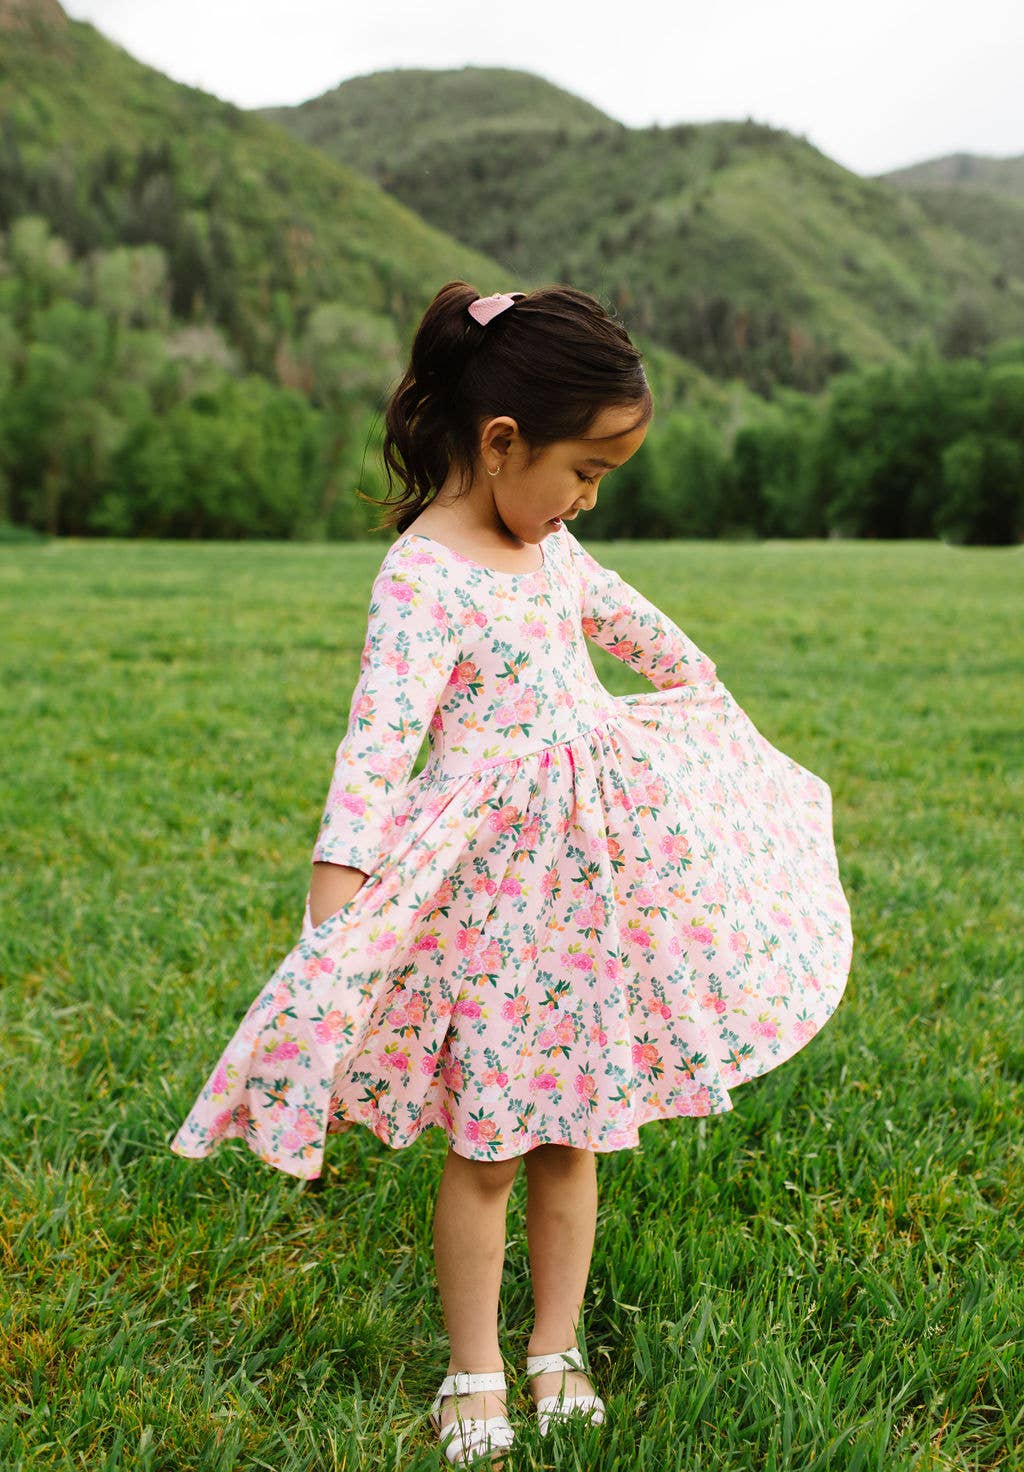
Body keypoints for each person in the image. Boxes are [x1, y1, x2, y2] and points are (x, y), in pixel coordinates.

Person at [170, 280, 855, 1466]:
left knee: (575, 1126)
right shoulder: (425, 577)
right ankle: (473, 1362)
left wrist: (698, 713)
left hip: (590, 897)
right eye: (584, 470)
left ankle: (555, 1343)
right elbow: (373, 752)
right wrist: (332, 920)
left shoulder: (554, 551)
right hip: (490, 903)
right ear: (501, 443)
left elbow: (652, 636)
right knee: (488, 1141)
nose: (588, 498)